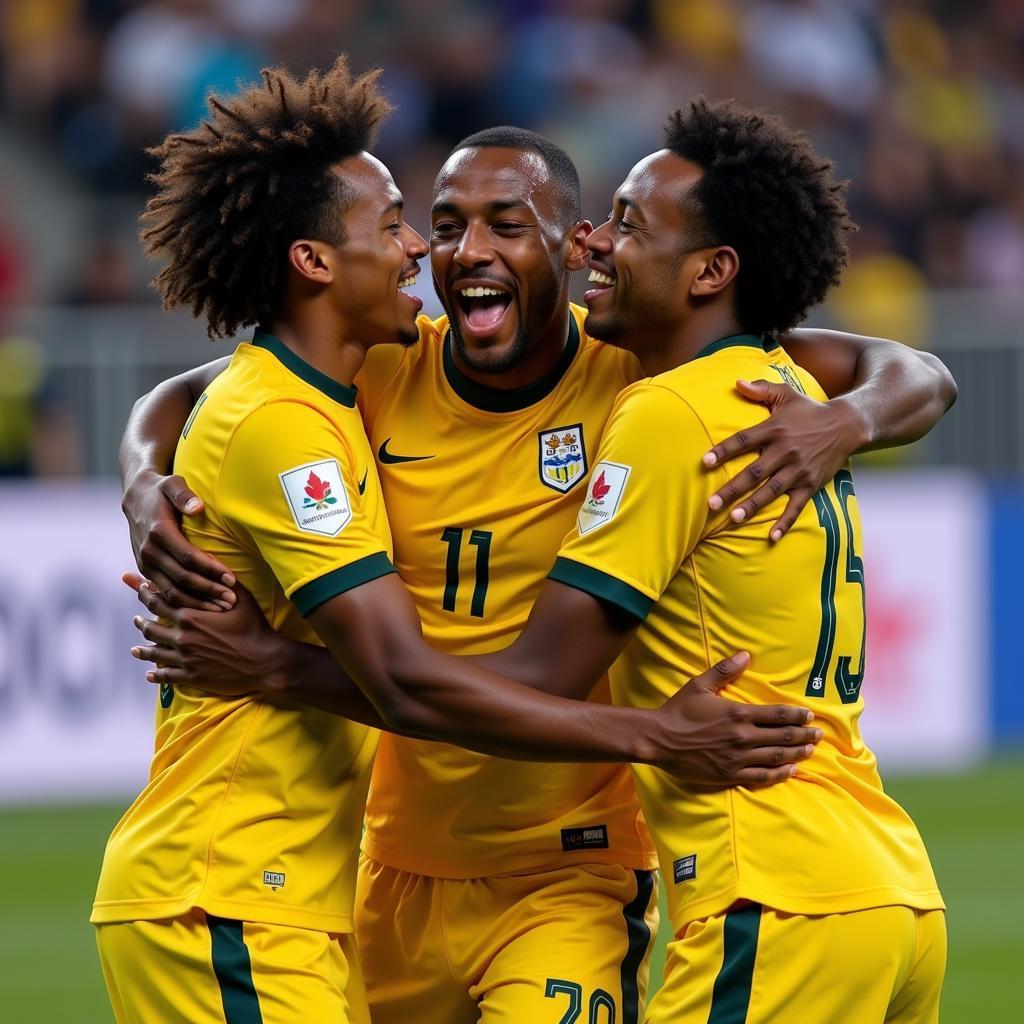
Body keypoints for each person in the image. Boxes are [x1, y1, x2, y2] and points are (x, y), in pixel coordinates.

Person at [121, 126, 955, 1024]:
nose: (465, 250)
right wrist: (138, 481)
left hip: (572, 871)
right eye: (442, 226)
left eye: (507, 225)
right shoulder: (382, 359)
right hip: (394, 867)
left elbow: (917, 371)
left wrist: (848, 421)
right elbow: (188, 397)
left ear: (575, 242)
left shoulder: (643, 376)